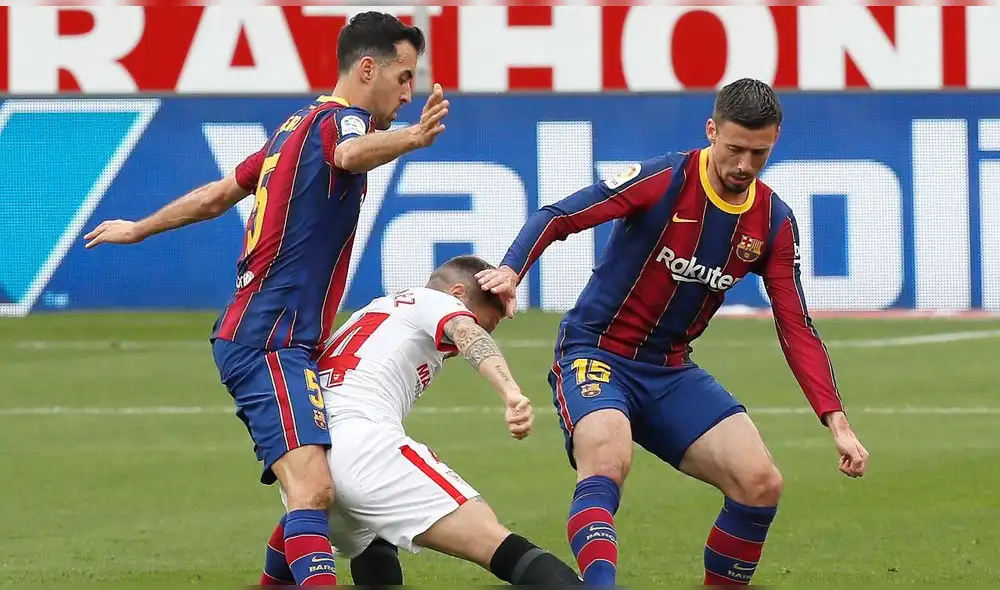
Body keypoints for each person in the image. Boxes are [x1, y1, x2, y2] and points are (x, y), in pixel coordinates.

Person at [83, 12, 449, 586]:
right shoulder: (340, 122)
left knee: (323, 491)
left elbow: (216, 196)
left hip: (279, 339)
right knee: (314, 489)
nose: (411, 91)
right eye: (404, 76)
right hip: (268, 339)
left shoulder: (294, 128)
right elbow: (351, 154)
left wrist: (138, 227)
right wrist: (413, 138)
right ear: (368, 67)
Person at [476, 78, 870, 586]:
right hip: (596, 353)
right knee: (607, 458)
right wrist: (512, 271)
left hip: (670, 370)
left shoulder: (772, 221)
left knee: (760, 483)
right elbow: (559, 217)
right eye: (734, 149)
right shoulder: (664, 179)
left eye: (759, 153)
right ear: (711, 131)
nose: (744, 166)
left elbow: (795, 324)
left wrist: (836, 421)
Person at [256, 256, 583, 586]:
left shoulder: (371, 311)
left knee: (370, 538)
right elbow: (466, 331)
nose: (482, 328)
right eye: (487, 322)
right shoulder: (433, 301)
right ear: (457, 293)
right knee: (491, 539)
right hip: (363, 444)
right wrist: (511, 392)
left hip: (309, 451)